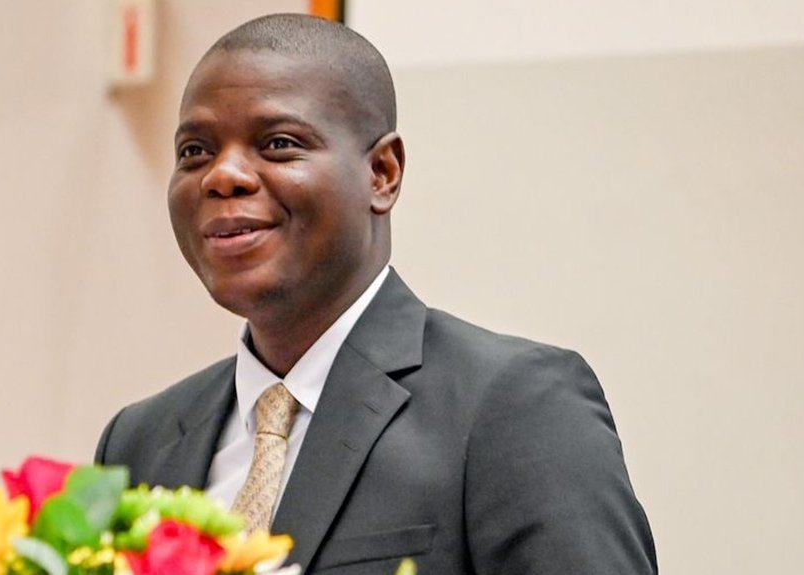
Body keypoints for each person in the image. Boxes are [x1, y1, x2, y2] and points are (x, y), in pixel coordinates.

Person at [95, 13, 657, 574]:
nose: (223, 175)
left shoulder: (513, 408)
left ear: (382, 173)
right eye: (195, 151)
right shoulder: (139, 442)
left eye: (279, 143)